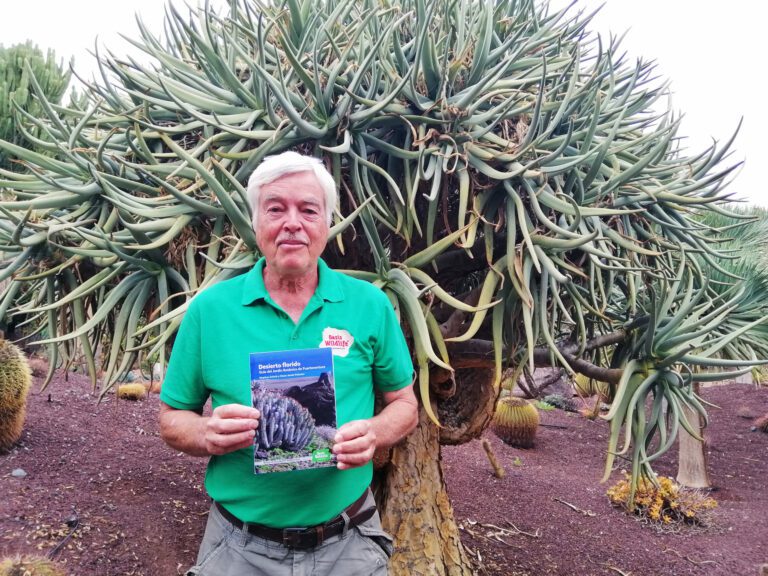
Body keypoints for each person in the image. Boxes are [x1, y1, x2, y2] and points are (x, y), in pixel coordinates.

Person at [158, 151, 419, 576]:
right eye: (276, 208)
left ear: (326, 224)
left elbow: (404, 404)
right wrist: (206, 432)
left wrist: (374, 433)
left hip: (349, 542)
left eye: (308, 209)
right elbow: (171, 418)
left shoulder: (370, 305)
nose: (292, 222)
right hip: (239, 549)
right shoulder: (210, 311)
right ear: (256, 222)